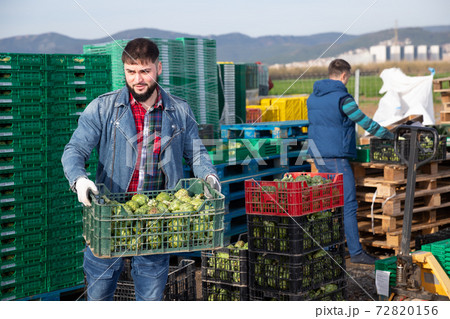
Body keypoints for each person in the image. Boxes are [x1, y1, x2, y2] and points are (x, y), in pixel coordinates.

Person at [62, 38, 221, 300]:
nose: (138, 79)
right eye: (131, 72)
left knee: (149, 298)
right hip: (108, 214)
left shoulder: (179, 110)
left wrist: (209, 175)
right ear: (124, 70)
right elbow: (75, 150)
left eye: (145, 71)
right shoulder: (103, 108)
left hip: (156, 218)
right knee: (99, 296)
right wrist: (78, 179)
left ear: (159, 68)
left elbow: (197, 153)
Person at [307, 59, 394, 265]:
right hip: (336, 156)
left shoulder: (313, 97)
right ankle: (355, 252)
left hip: (318, 155)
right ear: (344, 75)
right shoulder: (342, 98)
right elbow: (364, 122)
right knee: (348, 204)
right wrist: (388, 135)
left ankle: (328, 248)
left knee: (328, 202)